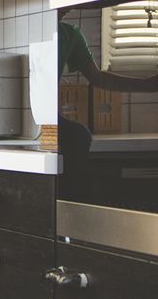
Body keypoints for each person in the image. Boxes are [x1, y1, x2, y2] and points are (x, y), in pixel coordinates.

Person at [56, 19, 158, 201]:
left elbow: (98, 78)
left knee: (78, 136)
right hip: (36, 121)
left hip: (49, 122)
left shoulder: (70, 35)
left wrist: (148, 85)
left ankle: (71, 210)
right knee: (76, 137)